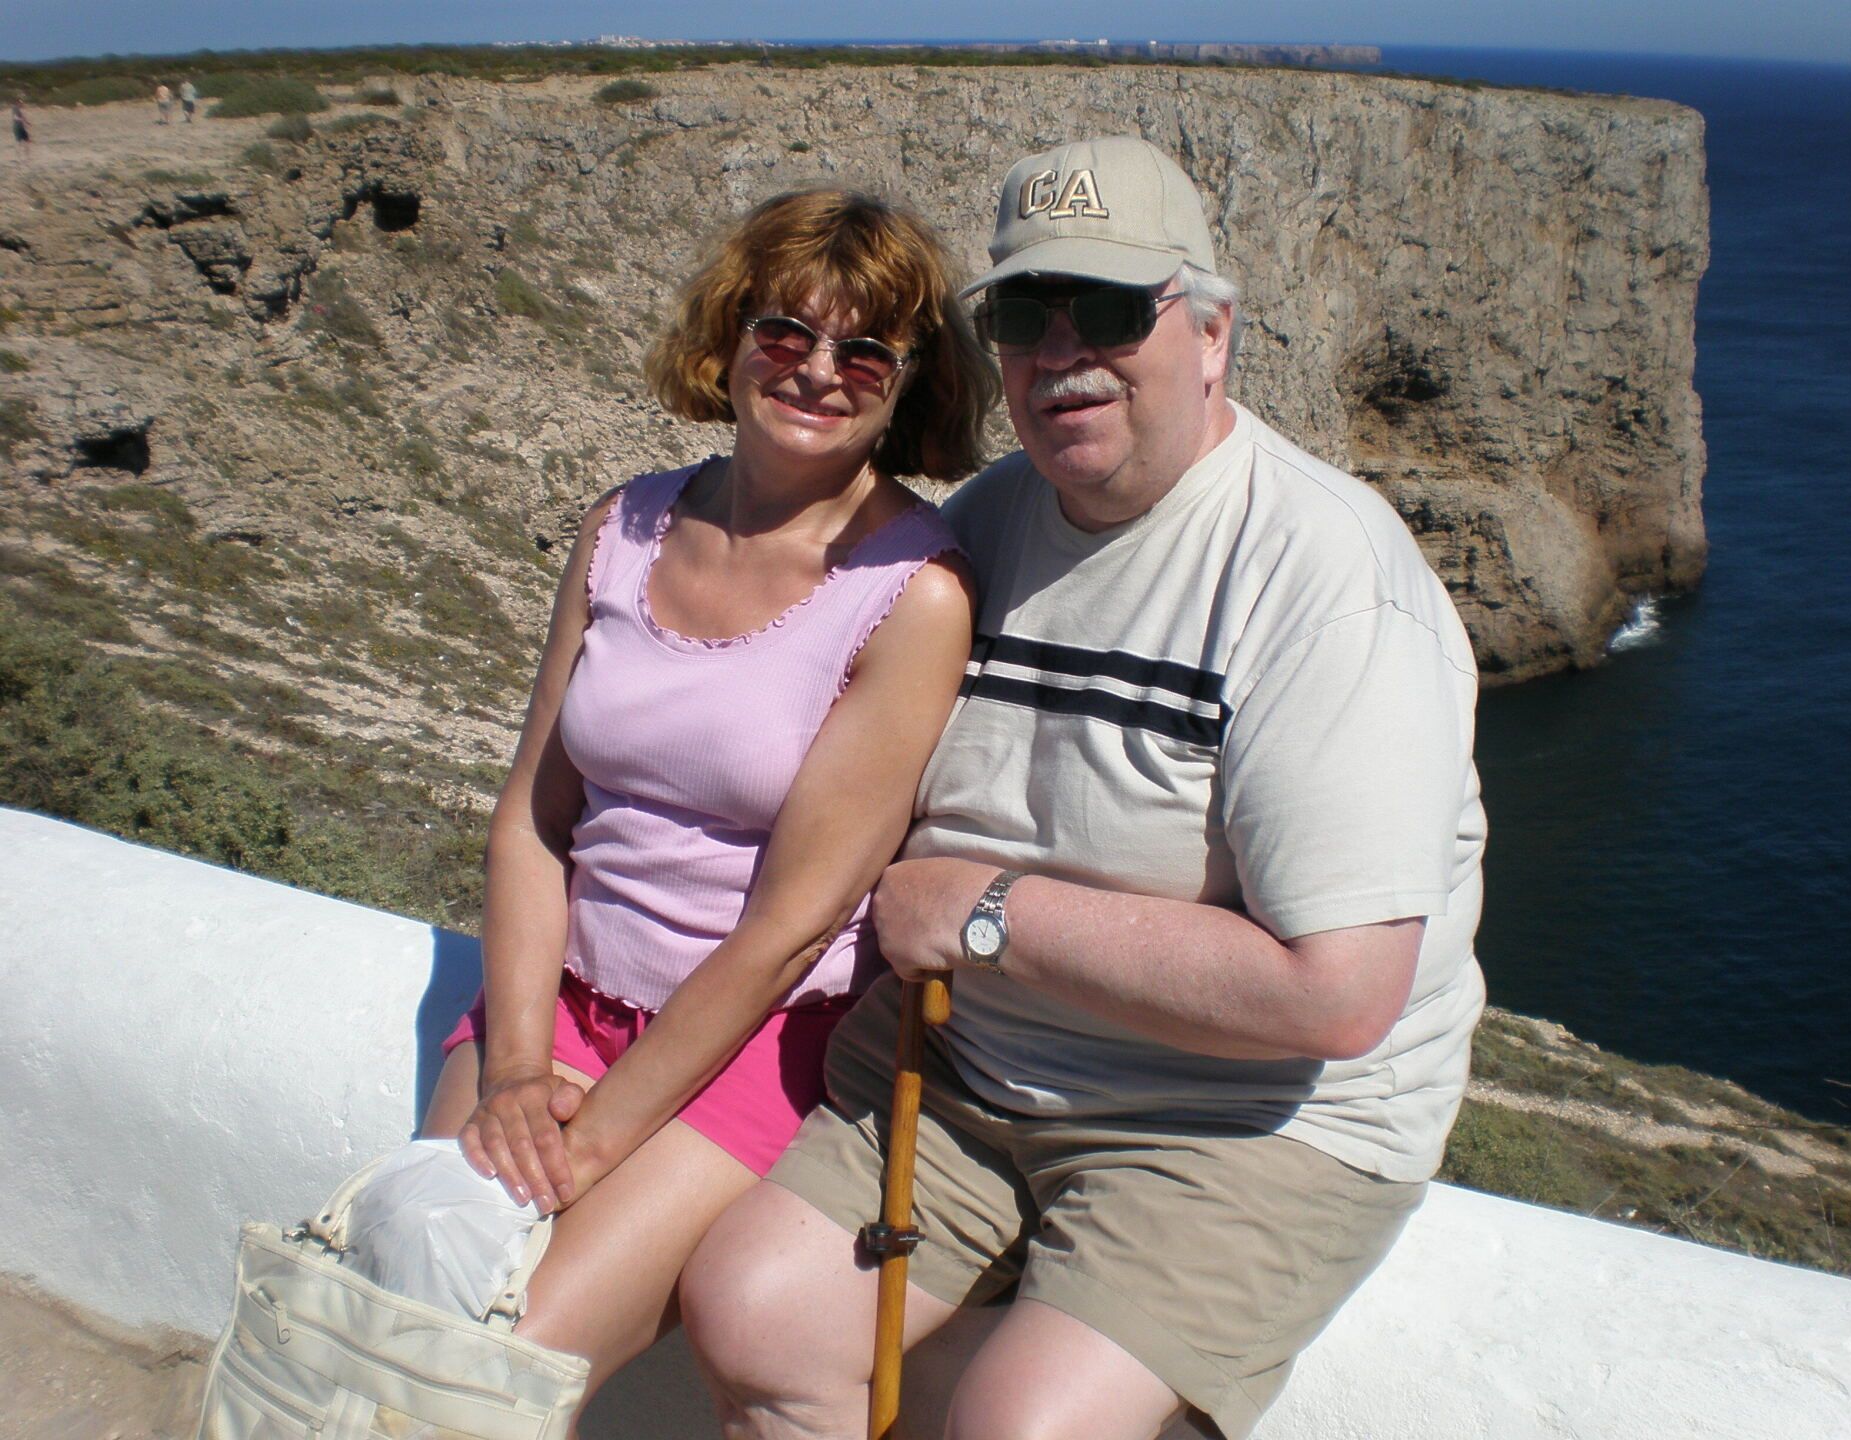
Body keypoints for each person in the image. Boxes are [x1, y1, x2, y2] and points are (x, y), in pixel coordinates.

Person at [682, 135, 1487, 1440]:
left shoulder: (1324, 575)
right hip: (977, 1072)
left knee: (1023, 1428)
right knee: (754, 1309)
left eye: (1112, 310)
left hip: (1234, 1121)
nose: (1064, 352)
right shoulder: (991, 524)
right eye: (1023, 315)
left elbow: (1340, 992)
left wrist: (991, 912)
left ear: (1211, 333)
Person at [416, 188, 995, 1415]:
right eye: (786, 333)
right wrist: (520, 1069)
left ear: (907, 385)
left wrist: (599, 1136)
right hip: (556, 998)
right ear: (731, 337)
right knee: (419, 1288)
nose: (818, 373)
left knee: (507, 1352)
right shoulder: (622, 526)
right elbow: (534, 815)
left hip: (753, 1036)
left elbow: (793, 924)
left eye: (865, 353)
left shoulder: (911, 593)